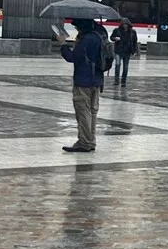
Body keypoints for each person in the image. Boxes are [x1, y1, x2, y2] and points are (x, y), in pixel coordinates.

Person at [59, 19, 106, 153]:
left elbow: (72, 57)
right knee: (92, 112)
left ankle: (84, 143)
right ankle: (90, 141)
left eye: (77, 27)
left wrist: (63, 44)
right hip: (97, 80)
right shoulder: (99, 36)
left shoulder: (87, 39)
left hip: (84, 80)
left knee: (83, 111)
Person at [110, 18, 138, 86]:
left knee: (125, 67)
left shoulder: (132, 32)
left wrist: (134, 50)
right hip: (118, 50)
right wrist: (115, 38)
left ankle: (123, 81)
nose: (125, 26)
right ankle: (116, 80)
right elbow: (111, 37)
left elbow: (134, 42)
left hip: (127, 51)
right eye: (123, 24)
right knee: (117, 65)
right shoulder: (117, 30)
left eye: (126, 24)